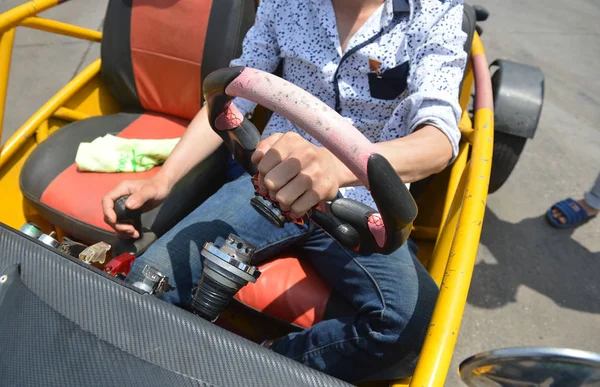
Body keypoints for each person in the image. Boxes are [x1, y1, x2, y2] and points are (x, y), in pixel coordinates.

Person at [101, 0, 467, 382]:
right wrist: (163, 179)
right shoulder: (285, 2)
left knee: (415, 329)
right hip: (269, 179)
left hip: (364, 204)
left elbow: (438, 139)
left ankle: (261, 366)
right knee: (150, 279)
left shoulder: (433, 11)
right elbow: (232, 94)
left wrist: (334, 166)